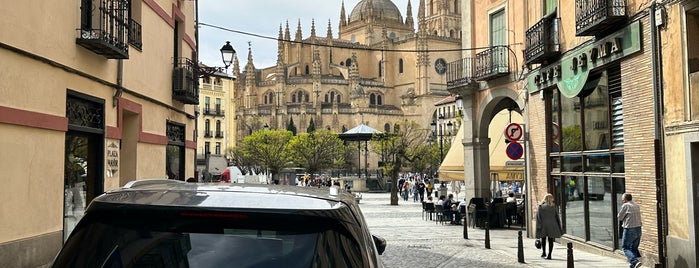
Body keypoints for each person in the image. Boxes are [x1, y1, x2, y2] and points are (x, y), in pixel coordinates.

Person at [617, 193, 642, 268]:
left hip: (630, 229)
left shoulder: (626, 205)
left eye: (622, 199)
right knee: (634, 248)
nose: (622, 200)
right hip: (638, 229)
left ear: (625, 199)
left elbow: (620, 217)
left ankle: (634, 261)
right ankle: (633, 265)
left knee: (625, 248)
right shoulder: (636, 205)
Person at [535, 193, 563, 260]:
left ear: (544, 199)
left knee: (543, 239)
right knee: (550, 240)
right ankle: (549, 254)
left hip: (543, 225)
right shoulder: (554, 207)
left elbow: (538, 218)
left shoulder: (541, 207)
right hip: (552, 225)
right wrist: (559, 226)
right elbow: (557, 217)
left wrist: (538, 226)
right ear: (551, 199)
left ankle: (544, 252)